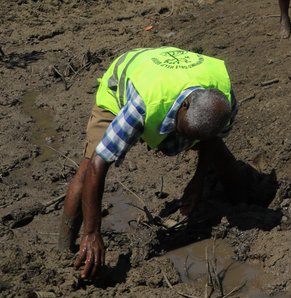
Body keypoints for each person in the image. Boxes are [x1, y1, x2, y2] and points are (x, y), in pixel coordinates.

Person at [60, 47, 240, 280]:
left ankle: (242, 202)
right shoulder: (142, 105)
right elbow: (98, 163)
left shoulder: (224, 102)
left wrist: (198, 181)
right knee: (86, 169)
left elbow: (211, 140)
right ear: (184, 106)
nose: (185, 143)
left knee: (217, 150)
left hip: (169, 77)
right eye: (184, 133)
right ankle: (63, 253)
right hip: (124, 84)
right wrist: (92, 231)